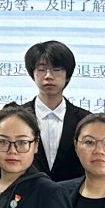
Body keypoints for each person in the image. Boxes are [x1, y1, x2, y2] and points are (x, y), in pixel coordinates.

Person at [21, 39, 92, 186]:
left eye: (57, 69)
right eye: (41, 69)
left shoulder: (86, 120)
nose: (48, 76)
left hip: (72, 195)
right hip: (26, 193)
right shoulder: (17, 118)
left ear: (68, 75)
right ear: (32, 74)